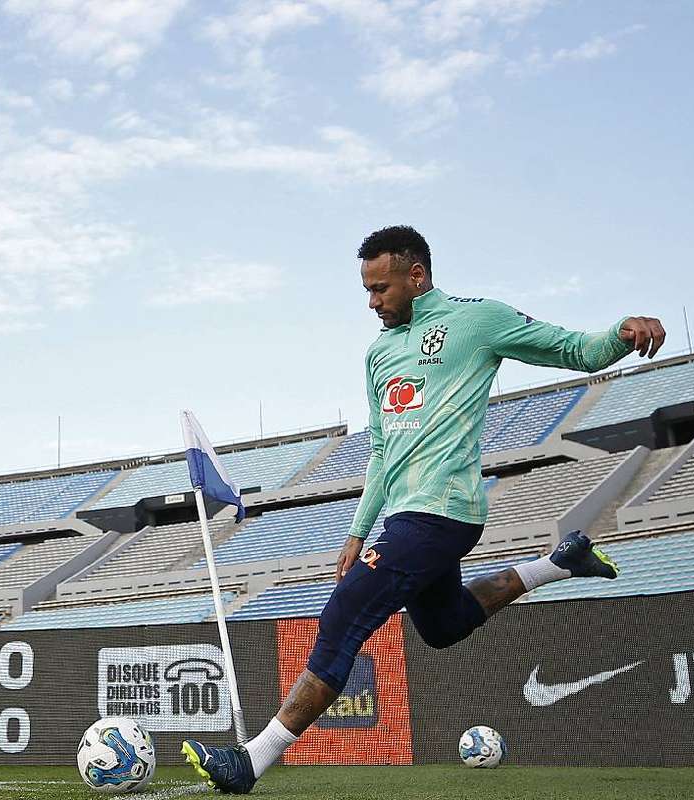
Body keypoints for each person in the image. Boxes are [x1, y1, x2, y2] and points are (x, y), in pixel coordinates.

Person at [182, 225, 666, 793]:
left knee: (341, 619)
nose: (372, 302)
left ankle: (251, 761)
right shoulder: (379, 354)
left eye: (381, 288)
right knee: (443, 624)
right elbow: (383, 451)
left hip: (444, 511)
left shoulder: (477, 320)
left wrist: (623, 333)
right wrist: (357, 532)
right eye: (366, 289)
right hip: (403, 516)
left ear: (417, 276)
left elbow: (572, 349)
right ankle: (560, 563)